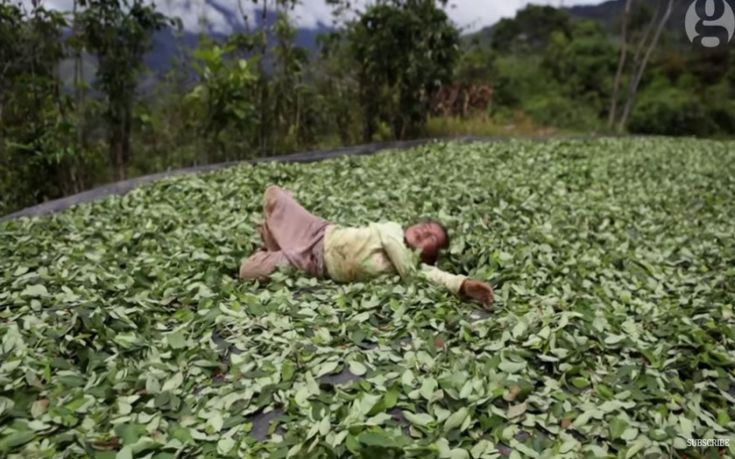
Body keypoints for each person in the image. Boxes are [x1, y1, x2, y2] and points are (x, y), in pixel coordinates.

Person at [239, 185, 495, 307]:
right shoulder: (392, 230)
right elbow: (391, 245)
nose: (425, 232)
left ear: (427, 257)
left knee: (247, 272)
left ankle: (274, 246)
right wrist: (409, 269)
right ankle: (276, 236)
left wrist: (465, 285)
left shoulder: (412, 271)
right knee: (275, 196)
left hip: (312, 263)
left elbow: (437, 277)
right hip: (320, 232)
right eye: (426, 226)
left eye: (432, 239)